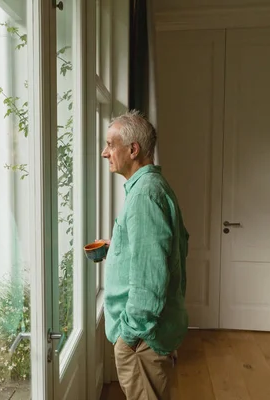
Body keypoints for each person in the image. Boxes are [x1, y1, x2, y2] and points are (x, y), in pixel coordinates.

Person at [101, 110, 189, 399]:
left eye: (110, 144)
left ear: (133, 149)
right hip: (148, 335)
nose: (105, 153)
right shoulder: (153, 187)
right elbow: (164, 249)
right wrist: (117, 248)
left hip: (142, 340)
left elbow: (151, 277)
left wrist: (128, 337)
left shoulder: (144, 196)